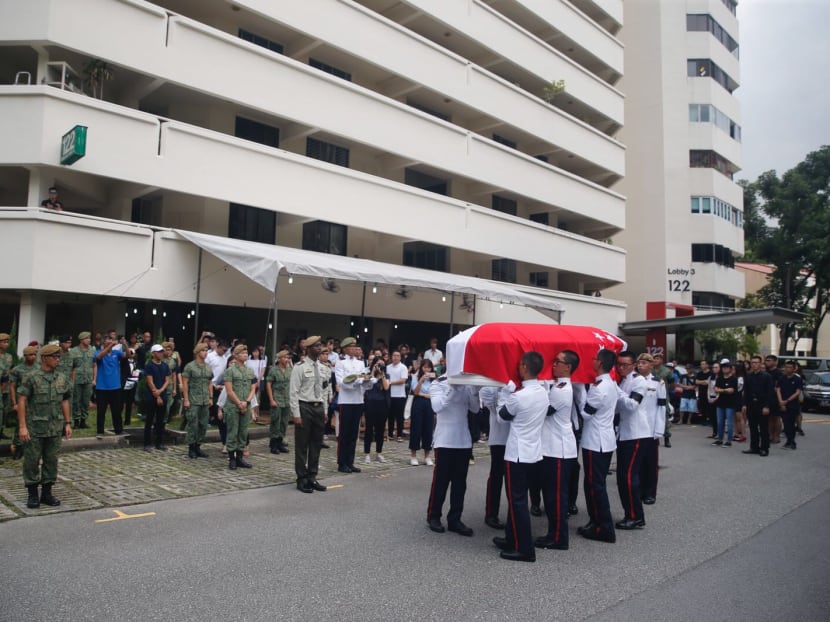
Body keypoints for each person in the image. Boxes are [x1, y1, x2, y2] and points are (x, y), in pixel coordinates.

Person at [491, 351, 549, 562]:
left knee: (517, 501)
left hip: (517, 453)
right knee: (518, 499)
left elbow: (502, 417)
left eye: (520, 365)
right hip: (533, 451)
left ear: (525, 367)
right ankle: (512, 538)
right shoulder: (542, 391)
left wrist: (503, 394)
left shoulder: (519, 396)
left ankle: (524, 549)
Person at [16, 343, 72, 509]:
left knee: (51, 460)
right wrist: (22, 427)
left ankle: (47, 493)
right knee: (32, 461)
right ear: (45, 358)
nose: (57, 360)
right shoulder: (32, 377)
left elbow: (65, 400)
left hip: (55, 427)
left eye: (59, 357)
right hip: (34, 428)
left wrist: (68, 423)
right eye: (55, 357)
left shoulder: (61, 378)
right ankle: (33, 494)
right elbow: (22, 401)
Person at [534, 349, 579, 550]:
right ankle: (553, 533)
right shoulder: (557, 386)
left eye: (557, 362)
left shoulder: (562, 389)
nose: (553, 364)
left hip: (558, 449)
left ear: (568, 367)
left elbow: (544, 411)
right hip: (551, 448)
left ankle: (559, 538)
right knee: (551, 496)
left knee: (557, 497)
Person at [426, 377, 480, 536]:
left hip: (463, 439)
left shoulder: (467, 384)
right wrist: (453, 388)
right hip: (444, 440)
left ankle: (455, 519)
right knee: (441, 481)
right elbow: (437, 407)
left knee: (460, 483)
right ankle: (433, 515)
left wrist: (474, 391)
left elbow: (475, 409)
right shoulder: (438, 383)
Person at [577, 348, 618, 543]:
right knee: (592, 484)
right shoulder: (609, 383)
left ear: (600, 363)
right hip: (601, 439)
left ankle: (604, 527)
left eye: (594, 359)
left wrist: (579, 392)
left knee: (596, 486)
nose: (592, 361)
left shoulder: (600, 387)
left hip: (596, 441)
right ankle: (595, 522)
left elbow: (586, 413)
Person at [613, 350, 650, 530]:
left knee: (628, 476)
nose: (621, 368)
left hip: (636, 434)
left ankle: (635, 516)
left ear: (634, 365)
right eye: (619, 364)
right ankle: (631, 513)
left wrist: (615, 390)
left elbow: (632, 405)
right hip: (624, 433)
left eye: (625, 365)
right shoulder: (623, 381)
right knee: (622, 477)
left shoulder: (638, 381)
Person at [289, 336, 328, 493]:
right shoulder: (299, 367)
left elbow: (325, 390)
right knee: (302, 445)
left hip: (318, 407)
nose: (319, 348)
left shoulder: (323, 368)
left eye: (320, 345)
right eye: (316, 346)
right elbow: (293, 392)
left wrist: (325, 410)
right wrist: (296, 414)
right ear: (308, 348)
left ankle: (312, 476)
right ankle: (301, 478)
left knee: (316, 445)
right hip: (304, 406)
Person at [334, 336, 368, 474]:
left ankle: (350, 461)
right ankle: (342, 462)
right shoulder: (340, 363)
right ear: (345, 349)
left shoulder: (360, 363)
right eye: (352, 347)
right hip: (346, 400)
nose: (354, 349)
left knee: (354, 433)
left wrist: (366, 382)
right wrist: (356, 383)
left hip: (358, 399)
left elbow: (364, 379)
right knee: (344, 433)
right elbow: (341, 382)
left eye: (355, 347)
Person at [636, 354, 666, 505]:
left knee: (651, 462)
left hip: (650, 428)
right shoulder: (633, 381)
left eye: (644, 363)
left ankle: (650, 493)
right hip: (636, 428)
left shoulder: (657, 383)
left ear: (651, 365)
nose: (640, 365)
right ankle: (638, 490)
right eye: (639, 363)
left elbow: (661, 407)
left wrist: (659, 429)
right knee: (638, 462)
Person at [223, 344, 257, 470]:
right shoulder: (230, 371)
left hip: (246, 405)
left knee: (243, 432)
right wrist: (239, 403)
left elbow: (253, 388)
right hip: (233, 405)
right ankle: (232, 458)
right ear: (236, 355)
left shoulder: (250, 371)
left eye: (246, 353)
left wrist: (246, 402)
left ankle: (240, 457)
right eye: (242, 353)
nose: (245, 355)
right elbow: (229, 390)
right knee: (233, 432)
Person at [480, 384, 507, 530]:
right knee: (496, 477)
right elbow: (493, 407)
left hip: (516, 439)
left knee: (515, 480)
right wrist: (503, 389)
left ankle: (515, 515)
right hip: (499, 438)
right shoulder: (490, 387)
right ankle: (491, 514)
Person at [181, 342, 213, 459]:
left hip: (205, 400)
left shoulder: (208, 367)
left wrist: (211, 397)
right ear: (197, 352)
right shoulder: (190, 366)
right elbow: (185, 383)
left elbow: (210, 382)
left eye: (206, 351)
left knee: (203, 425)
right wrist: (186, 399)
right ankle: (191, 447)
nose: (205, 353)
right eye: (203, 351)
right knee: (193, 425)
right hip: (193, 399)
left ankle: (198, 446)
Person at [8, 345, 40, 460]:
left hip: (36, 401)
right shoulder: (17, 369)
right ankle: (18, 447)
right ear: (25, 356)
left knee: (35, 423)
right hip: (22, 400)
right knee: (20, 424)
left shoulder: (39, 368)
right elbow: (12, 386)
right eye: (31, 355)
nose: (33, 357)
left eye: (35, 354)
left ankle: (31, 447)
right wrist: (14, 403)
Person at [741, 355, 774, 457]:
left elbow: (770, 392)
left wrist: (767, 406)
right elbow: (746, 391)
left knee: (763, 428)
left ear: (760, 364)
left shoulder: (766, 376)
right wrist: (744, 404)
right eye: (752, 363)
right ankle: (754, 447)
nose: (754, 364)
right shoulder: (748, 376)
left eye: (756, 362)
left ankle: (764, 448)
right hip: (751, 404)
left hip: (762, 404)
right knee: (753, 427)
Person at [94, 331, 125, 438]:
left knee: (116, 411)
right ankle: (100, 431)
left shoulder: (116, 353)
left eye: (111, 340)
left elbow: (128, 355)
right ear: (104, 342)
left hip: (115, 387)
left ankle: (118, 430)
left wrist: (125, 344)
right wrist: (110, 346)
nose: (111, 341)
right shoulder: (98, 352)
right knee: (101, 411)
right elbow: (99, 357)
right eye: (108, 340)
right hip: (102, 387)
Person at [409, 358, 436, 466]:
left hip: (430, 403)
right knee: (416, 428)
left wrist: (425, 394)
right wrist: (421, 380)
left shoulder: (434, 379)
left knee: (428, 429)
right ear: (421, 368)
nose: (427, 370)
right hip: (418, 403)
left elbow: (435, 393)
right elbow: (415, 392)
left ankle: (427, 456)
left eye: (429, 367)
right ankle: (413, 455)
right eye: (425, 367)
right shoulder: (415, 377)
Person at [143, 344, 171, 451]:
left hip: (162, 394)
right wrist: (157, 394)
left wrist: (161, 390)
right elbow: (150, 381)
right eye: (159, 352)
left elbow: (167, 380)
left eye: (162, 351)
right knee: (149, 420)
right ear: (153, 353)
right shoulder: (149, 365)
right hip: (151, 396)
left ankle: (159, 442)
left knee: (161, 420)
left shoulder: (165, 365)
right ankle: (147, 443)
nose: (161, 353)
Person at [362, 355, 390, 464]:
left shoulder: (386, 375)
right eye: (378, 364)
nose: (380, 366)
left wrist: (382, 375)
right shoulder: (368, 374)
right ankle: (367, 454)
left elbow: (386, 387)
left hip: (382, 404)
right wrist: (373, 373)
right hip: (370, 403)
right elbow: (367, 386)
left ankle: (379, 453)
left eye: (382, 364)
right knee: (369, 429)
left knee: (380, 430)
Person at [266, 349, 292, 454]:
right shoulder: (274, 370)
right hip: (277, 398)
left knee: (284, 422)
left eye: (288, 358)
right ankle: (273, 444)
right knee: (275, 422)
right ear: (279, 359)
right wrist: (271, 399)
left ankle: (280, 442)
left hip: (287, 399)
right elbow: (269, 384)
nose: (287, 359)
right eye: (284, 357)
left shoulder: (290, 370)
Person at [206, 339, 230, 452]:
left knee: (222, 416)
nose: (224, 352)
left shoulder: (225, 358)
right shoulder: (210, 356)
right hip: (211, 386)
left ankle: (226, 442)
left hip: (221, 387)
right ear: (218, 347)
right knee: (216, 412)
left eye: (226, 350)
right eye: (223, 350)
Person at [69, 331, 95, 429]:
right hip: (76, 379)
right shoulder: (73, 351)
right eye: (86, 338)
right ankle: (76, 421)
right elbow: (70, 367)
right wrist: (71, 380)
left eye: (89, 338)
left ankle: (83, 421)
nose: (89, 340)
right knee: (76, 401)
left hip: (88, 379)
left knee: (86, 400)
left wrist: (94, 379)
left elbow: (94, 365)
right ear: (81, 340)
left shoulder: (92, 350)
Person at [775, 360, 802, 450]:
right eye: (786, 367)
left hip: (792, 404)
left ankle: (792, 441)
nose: (787, 369)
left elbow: (797, 392)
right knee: (786, 423)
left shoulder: (797, 379)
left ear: (794, 369)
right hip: (782, 403)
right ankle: (788, 441)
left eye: (790, 367)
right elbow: (778, 390)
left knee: (791, 423)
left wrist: (787, 401)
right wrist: (781, 401)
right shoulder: (781, 378)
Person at [712, 359, 739, 447]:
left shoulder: (733, 379)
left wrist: (721, 390)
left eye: (727, 367)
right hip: (720, 403)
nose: (725, 369)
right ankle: (720, 439)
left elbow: (731, 390)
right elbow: (716, 389)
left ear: (730, 369)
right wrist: (724, 390)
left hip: (730, 403)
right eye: (723, 368)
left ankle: (729, 441)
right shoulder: (719, 378)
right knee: (720, 422)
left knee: (729, 423)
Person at [386, 350, 408, 442]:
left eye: (397, 356)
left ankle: (399, 435)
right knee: (390, 416)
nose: (395, 357)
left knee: (399, 416)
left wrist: (390, 382)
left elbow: (403, 380)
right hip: (389, 395)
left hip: (400, 395)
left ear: (400, 357)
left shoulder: (403, 367)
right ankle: (390, 434)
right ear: (391, 357)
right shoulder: (388, 367)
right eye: (394, 355)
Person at [764, 355, 783, 444]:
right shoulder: (766, 372)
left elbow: (778, 386)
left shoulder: (778, 373)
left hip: (775, 398)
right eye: (766, 360)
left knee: (776, 418)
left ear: (775, 362)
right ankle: (770, 435)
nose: (767, 362)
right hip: (767, 397)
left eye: (769, 360)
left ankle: (776, 436)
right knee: (769, 418)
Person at [120, 347, 139, 426]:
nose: (131, 354)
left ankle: (127, 420)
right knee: (121, 403)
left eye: (132, 353)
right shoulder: (124, 361)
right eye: (129, 353)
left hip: (132, 384)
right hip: (124, 384)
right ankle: (119, 419)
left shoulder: (135, 362)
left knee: (129, 403)